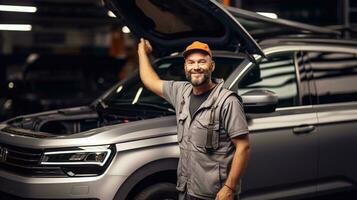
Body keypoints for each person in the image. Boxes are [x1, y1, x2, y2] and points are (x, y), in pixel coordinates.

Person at [137, 38, 250, 200]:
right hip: (187, 189)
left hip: (215, 194)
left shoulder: (227, 101)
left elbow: (243, 146)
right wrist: (142, 52)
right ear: (185, 67)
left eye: (202, 62)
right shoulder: (180, 92)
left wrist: (229, 188)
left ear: (212, 66)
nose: (196, 67)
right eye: (191, 63)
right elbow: (150, 80)